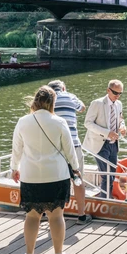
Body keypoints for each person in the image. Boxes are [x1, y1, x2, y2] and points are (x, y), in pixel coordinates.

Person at [10, 85, 77, 254]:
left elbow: (17, 148)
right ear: (53, 102)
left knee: (32, 216)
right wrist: (76, 168)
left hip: (31, 176)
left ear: (35, 101)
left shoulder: (23, 121)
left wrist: (14, 168)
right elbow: (69, 150)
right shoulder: (59, 122)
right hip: (56, 174)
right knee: (56, 216)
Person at [50, 80, 90, 223]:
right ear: (63, 88)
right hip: (73, 145)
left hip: (55, 148)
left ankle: (49, 214)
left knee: (54, 182)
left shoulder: (47, 100)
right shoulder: (70, 96)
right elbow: (82, 108)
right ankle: (81, 215)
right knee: (78, 180)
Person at [84, 79, 127, 197]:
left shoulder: (119, 104)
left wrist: (122, 127)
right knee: (106, 175)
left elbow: (121, 119)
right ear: (108, 90)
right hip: (100, 144)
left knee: (112, 174)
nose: (118, 96)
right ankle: (105, 200)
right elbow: (88, 123)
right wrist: (107, 133)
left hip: (114, 144)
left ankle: (107, 198)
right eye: (115, 93)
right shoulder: (97, 103)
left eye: (120, 93)